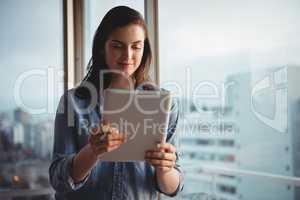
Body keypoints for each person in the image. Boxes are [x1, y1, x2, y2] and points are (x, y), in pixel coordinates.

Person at [49, 6, 183, 200]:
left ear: (144, 49)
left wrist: (165, 169)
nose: (128, 56)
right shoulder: (73, 103)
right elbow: (57, 179)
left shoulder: (164, 104)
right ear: (103, 48)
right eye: (117, 46)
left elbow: (172, 188)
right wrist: (92, 152)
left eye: (136, 46)